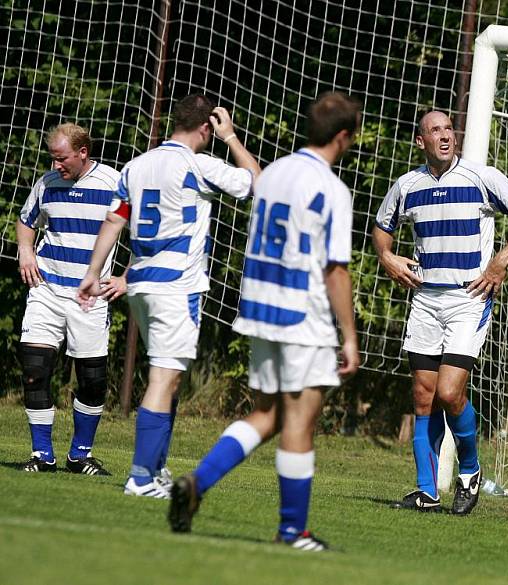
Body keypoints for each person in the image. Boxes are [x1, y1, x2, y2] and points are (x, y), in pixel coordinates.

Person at [167, 92, 361, 552]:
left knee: (267, 414)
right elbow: (335, 270)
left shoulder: (273, 174)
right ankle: (293, 530)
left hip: (259, 309)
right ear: (342, 137)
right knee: (299, 421)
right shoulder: (331, 188)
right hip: (301, 315)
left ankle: (197, 483)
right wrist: (349, 337)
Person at [78, 94, 260, 498]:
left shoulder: (136, 165)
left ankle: (155, 469)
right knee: (164, 377)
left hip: (140, 283)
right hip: (176, 284)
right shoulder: (200, 163)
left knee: (167, 376)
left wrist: (93, 273)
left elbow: (114, 219)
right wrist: (231, 138)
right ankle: (141, 478)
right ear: (205, 128)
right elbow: (257, 184)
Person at [372, 111, 508, 514]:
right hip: (425, 302)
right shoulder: (406, 185)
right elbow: (382, 229)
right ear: (421, 141)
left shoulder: (482, 177)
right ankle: (427, 491)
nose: (445, 136)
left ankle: (469, 469)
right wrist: (387, 257)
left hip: (469, 299)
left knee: (450, 393)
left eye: (449, 128)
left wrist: (500, 261)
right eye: (435, 131)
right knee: (422, 396)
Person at [16, 123, 125, 475]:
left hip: (89, 295)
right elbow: (25, 221)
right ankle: (41, 455)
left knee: (92, 378)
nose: (56, 165)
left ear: (82, 152)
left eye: (61, 158)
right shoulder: (47, 184)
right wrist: (25, 251)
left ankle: (80, 456)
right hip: (46, 288)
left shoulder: (113, 183)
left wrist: (125, 277)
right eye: (53, 158)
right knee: (34, 369)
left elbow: (141, 230)